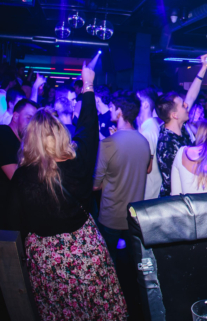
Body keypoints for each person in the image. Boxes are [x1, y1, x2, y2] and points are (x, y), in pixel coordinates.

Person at [8, 57, 128, 319]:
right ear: (61, 134)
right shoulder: (78, 163)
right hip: (85, 251)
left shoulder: (21, 178)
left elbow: (14, 226)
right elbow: (88, 127)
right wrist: (88, 84)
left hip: (47, 260)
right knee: (99, 310)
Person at [94, 95, 151, 262]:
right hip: (134, 215)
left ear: (120, 112)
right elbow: (147, 169)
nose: (110, 110)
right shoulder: (144, 141)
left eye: (113, 108)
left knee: (108, 263)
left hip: (111, 216)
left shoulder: (108, 143)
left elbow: (95, 185)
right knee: (134, 265)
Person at [156, 54, 207, 197]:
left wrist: (203, 68)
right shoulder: (167, 144)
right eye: (182, 105)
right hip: (175, 202)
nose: (186, 105)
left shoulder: (181, 127)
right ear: (174, 115)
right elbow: (175, 182)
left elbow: (191, 95)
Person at [0, 99, 38, 229]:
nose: (32, 124)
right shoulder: (4, 134)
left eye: (34, 120)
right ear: (15, 116)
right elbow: (16, 177)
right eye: (28, 118)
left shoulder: (21, 143)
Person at [137, 87, 162, 200]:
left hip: (148, 191)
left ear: (145, 105)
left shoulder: (148, 132)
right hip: (152, 188)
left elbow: (146, 167)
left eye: (137, 101)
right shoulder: (153, 125)